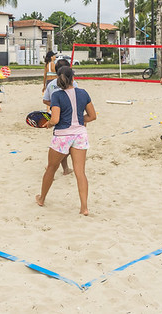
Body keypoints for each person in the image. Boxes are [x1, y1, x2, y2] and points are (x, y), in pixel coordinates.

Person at [36, 66, 97, 216]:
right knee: (80, 172)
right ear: (73, 78)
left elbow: (55, 119)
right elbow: (92, 116)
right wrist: (77, 120)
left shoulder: (56, 95)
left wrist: (48, 124)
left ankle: (42, 198)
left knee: (51, 168)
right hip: (80, 135)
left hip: (63, 136)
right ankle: (84, 208)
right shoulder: (83, 93)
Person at [42, 58, 75, 175]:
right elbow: (76, 100)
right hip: (70, 119)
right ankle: (54, 166)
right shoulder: (73, 83)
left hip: (57, 120)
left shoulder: (51, 84)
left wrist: (56, 106)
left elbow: (45, 100)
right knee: (69, 147)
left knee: (60, 145)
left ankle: (65, 169)